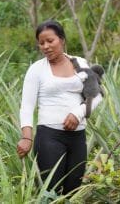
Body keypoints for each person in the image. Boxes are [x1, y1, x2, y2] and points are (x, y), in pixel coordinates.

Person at [16, 20, 103, 195]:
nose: (46, 46)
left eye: (50, 41)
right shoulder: (37, 70)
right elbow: (27, 105)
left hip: (77, 138)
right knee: (51, 191)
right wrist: (27, 138)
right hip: (49, 137)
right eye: (41, 43)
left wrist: (78, 114)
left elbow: (97, 94)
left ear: (62, 40)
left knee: (73, 191)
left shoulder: (80, 64)